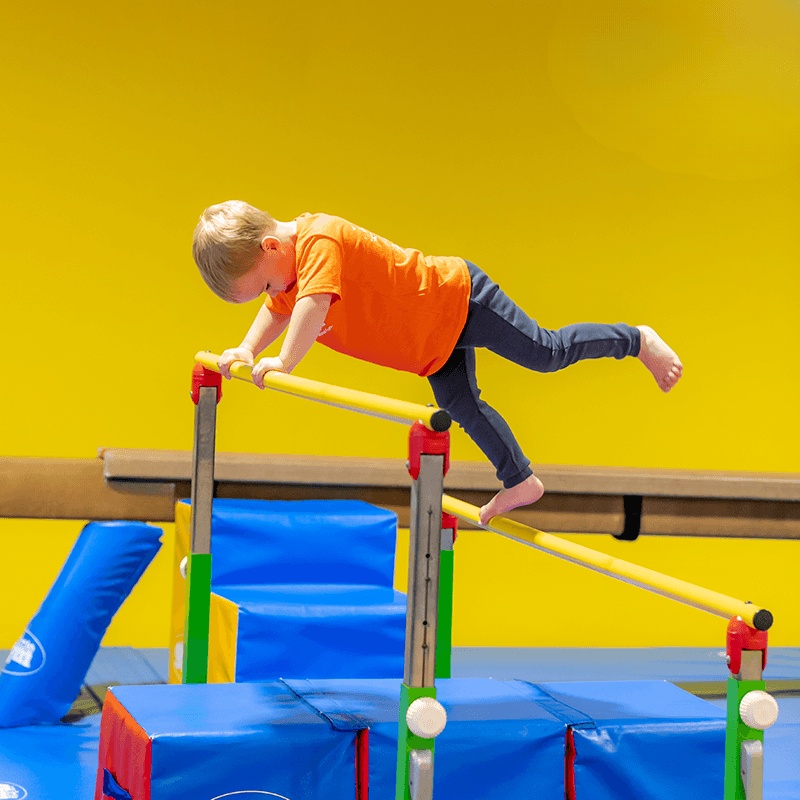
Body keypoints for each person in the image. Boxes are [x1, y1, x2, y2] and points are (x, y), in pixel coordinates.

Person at [193, 200, 683, 525]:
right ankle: (520, 479)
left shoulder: (319, 240)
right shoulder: (287, 273)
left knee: (545, 353)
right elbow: (279, 307)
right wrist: (247, 349)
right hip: (431, 345)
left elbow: (312, 304)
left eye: (266, 283)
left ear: (271, 246)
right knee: (462, 408)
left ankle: (636, 340)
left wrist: (283, 361)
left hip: (458, 299)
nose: (273, 292)